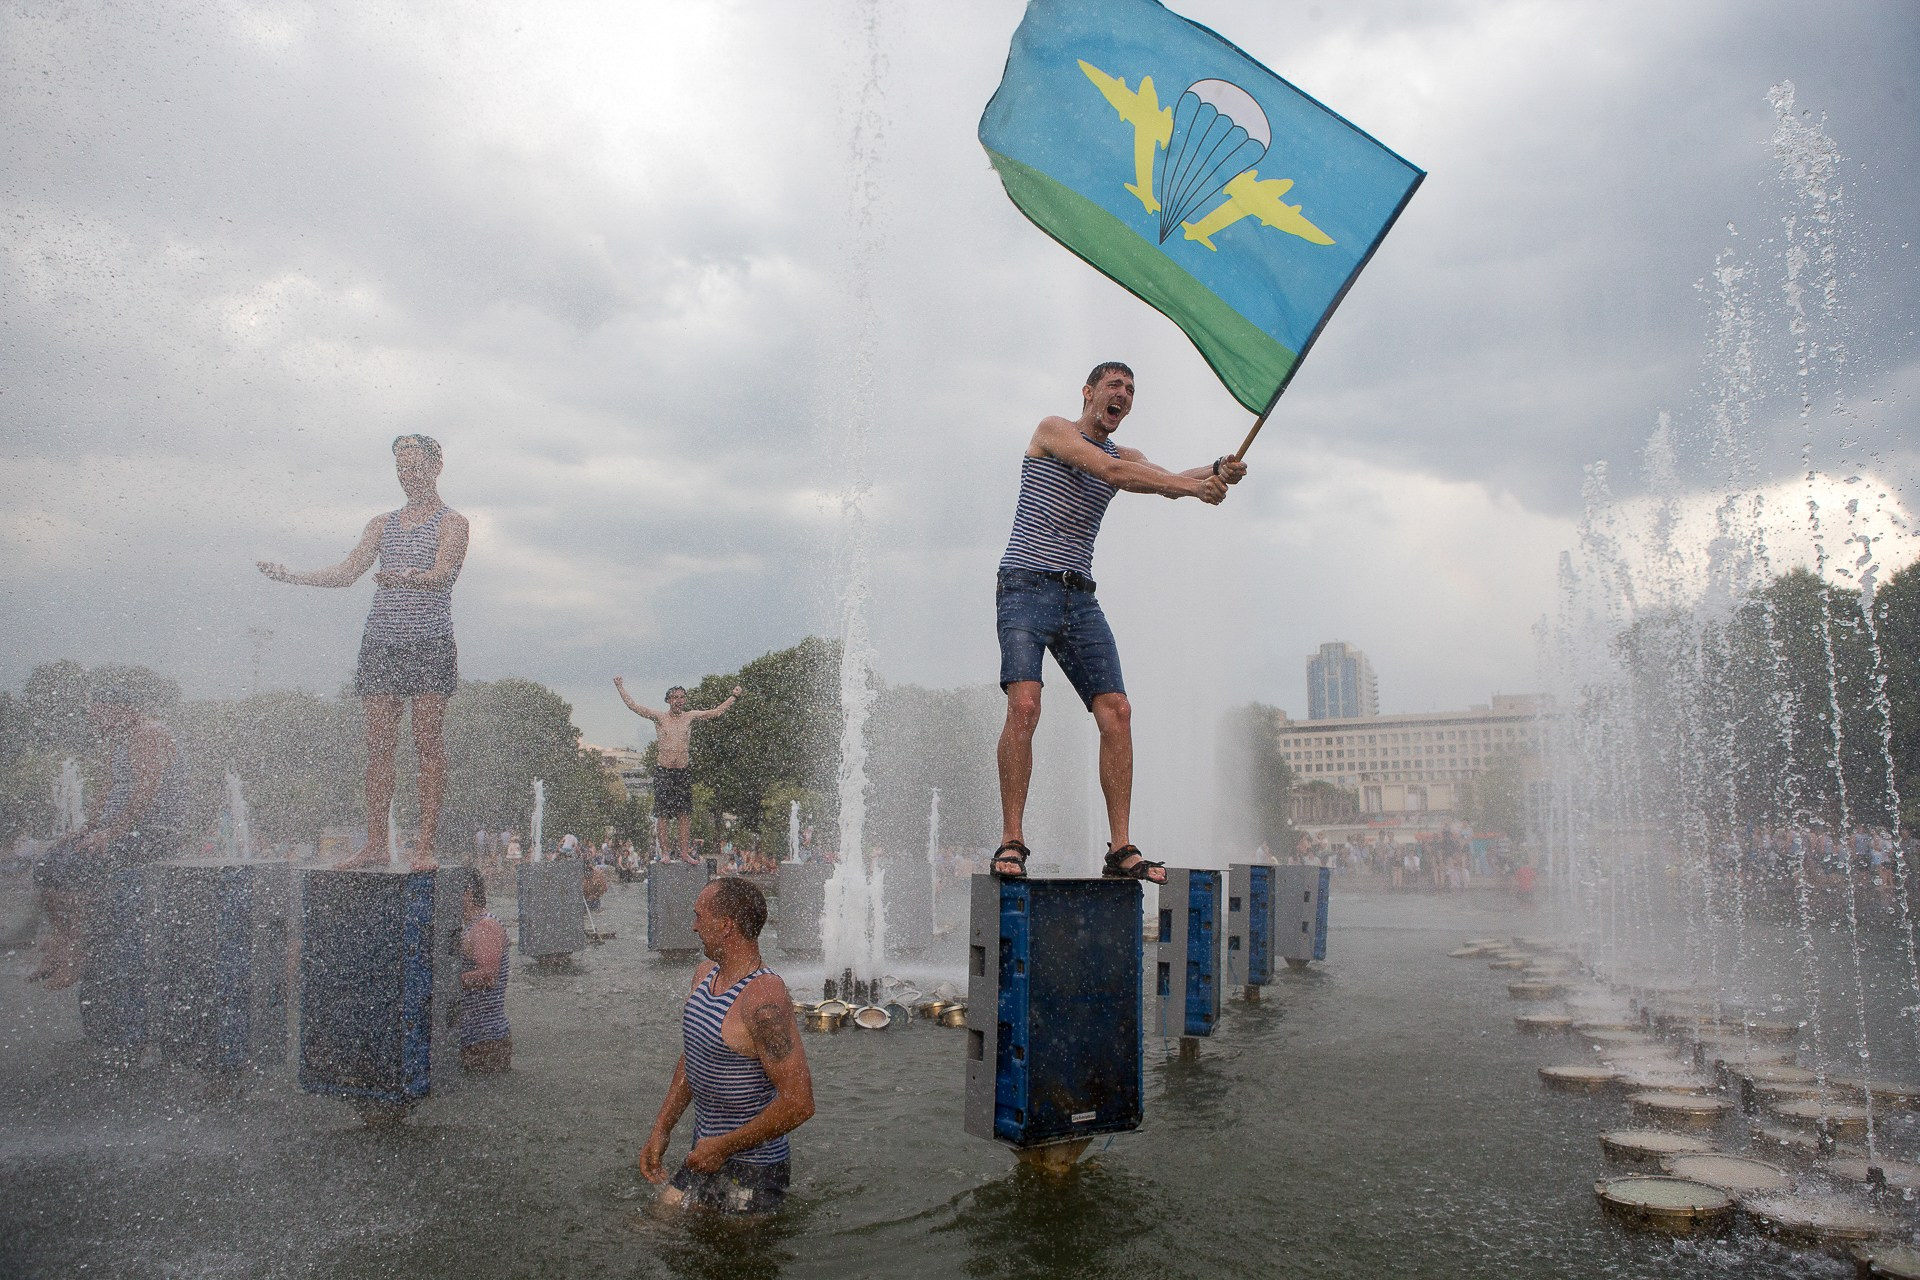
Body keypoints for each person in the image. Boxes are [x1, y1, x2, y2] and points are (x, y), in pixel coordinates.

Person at [989, 362, 1245, 883]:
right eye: (1114, 386)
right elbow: (1113, 476)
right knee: (1026, 703)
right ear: (1088, 392)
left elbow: (1167, 480)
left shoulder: (1126, 455)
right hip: (1025, 585)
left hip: (1078, 598)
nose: (1123, 394)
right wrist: (1194, 488)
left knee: (1118, 712)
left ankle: (1121, 847)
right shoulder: (1053, 431)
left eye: (1130, 390)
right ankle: (1012, 839)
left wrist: (1216, 470)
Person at [257, 435, 468, 871]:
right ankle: (375, 843)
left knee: (427, 742)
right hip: (381, 642)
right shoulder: (381, 524)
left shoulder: (453, 522)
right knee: (378, 746)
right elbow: (346, 572)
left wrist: (412, 577)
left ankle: (424, 845)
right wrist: (292, 576)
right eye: (401, 468)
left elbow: (445, 573)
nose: (408, 476)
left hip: (428, 640)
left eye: (415, 466)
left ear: (436, 467)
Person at [640, 878, 813, 1215]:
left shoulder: (764, 997)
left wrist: (722, 1147)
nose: (693, 926)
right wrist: (662, 1127)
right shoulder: (705, 975)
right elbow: (695, 1057)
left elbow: (799, 1103)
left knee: (734, 1262)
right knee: (653, 1228)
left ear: (725, 926)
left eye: (699, 916)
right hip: (703, 1157)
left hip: (755, 1170)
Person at [29, 688, 191, 990]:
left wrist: (113, 831)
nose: (94, 721)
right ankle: (63, 943)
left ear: (123, 709)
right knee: (46, 864)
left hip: (155, 832)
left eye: (99, 714)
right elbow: (108, 786)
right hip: (122, 829)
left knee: (75, 866)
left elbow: (146, 787)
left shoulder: (147, 734)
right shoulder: (120, 739)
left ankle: (78, 954)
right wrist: (90, 827)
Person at [612, 681, 742, 864]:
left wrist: (734, 696)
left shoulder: (690, 717)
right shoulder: (659, 717)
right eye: (675, 697)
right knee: (663, 815)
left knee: (685, 814)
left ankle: (683, 852)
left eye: (682, 697)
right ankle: (665, 852)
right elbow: (634, 706)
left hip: (682, 772)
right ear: (668, 700)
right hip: (664, 771)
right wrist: (620, 687)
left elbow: (715, 712)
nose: (679, 701)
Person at [456, 868, 511, 1073]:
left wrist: (443, 983)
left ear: (468, 893)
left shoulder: (484, 926)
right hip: (477, 1039)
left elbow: (488, 976)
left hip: (484, 1041)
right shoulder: (473, 926)